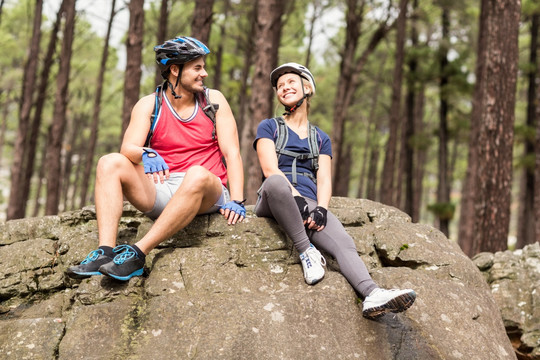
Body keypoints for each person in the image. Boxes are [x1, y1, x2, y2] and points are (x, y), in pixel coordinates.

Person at [67, 36, 245, 281]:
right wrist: (145, 153)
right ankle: (104, 252)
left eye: (203, 67)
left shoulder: (213, 100)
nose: (204, 73)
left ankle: (139, 253)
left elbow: (232, 153)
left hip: (206, 190)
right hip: (164, 189)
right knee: (109, 162)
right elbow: (127, 148)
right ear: (174, 69)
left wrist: (236, 199)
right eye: (197, 67)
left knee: (197, 173)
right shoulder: (150, 104)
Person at [253, 62, 416, 319]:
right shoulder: (269, 127)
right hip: (275, 198)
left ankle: (372, 294)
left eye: (291, 83)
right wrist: (295, 198)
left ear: (307, 88)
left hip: (308, 202)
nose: (284, 88)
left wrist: (321, 210)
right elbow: (269, 169)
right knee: (275, 184)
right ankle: (307, 252)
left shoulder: (321, 139)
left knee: (344, 243)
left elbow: (325, 179)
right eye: (280, 86)